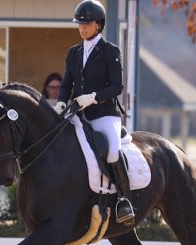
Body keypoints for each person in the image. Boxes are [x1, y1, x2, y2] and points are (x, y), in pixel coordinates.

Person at [55, 0, 134, 226]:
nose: (82, 28)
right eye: (79, 24)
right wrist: (61, 102)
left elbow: (116, 86)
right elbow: (66, 83)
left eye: (87, 24)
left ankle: (123, 200)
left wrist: (93, 97)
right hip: (78, 114)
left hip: (104, 114)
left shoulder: (110, 51)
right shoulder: (73, 53)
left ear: (98, 25)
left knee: (112, 152)